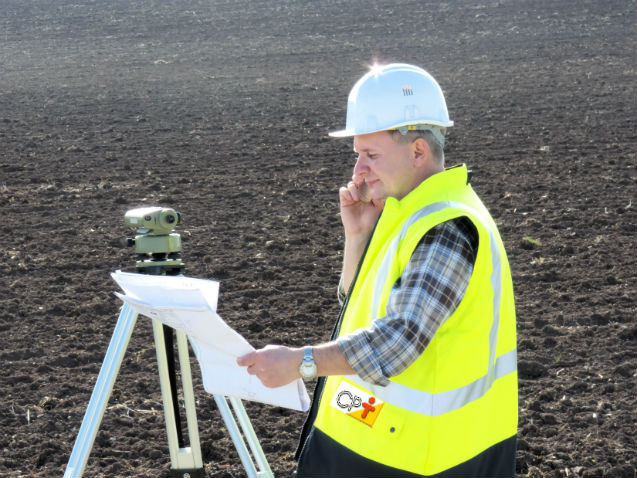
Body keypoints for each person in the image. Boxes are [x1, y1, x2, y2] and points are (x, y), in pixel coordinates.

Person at [237, 63, 518, 477]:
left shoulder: (447, 228)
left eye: (371, 155)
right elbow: (360, 308)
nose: (357, 172)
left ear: (418, 151)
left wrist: (301, 362)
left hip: (423, 457)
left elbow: (399, 341)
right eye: (357, 156)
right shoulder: (405, 211)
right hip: (375, 434)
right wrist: (357, 237)